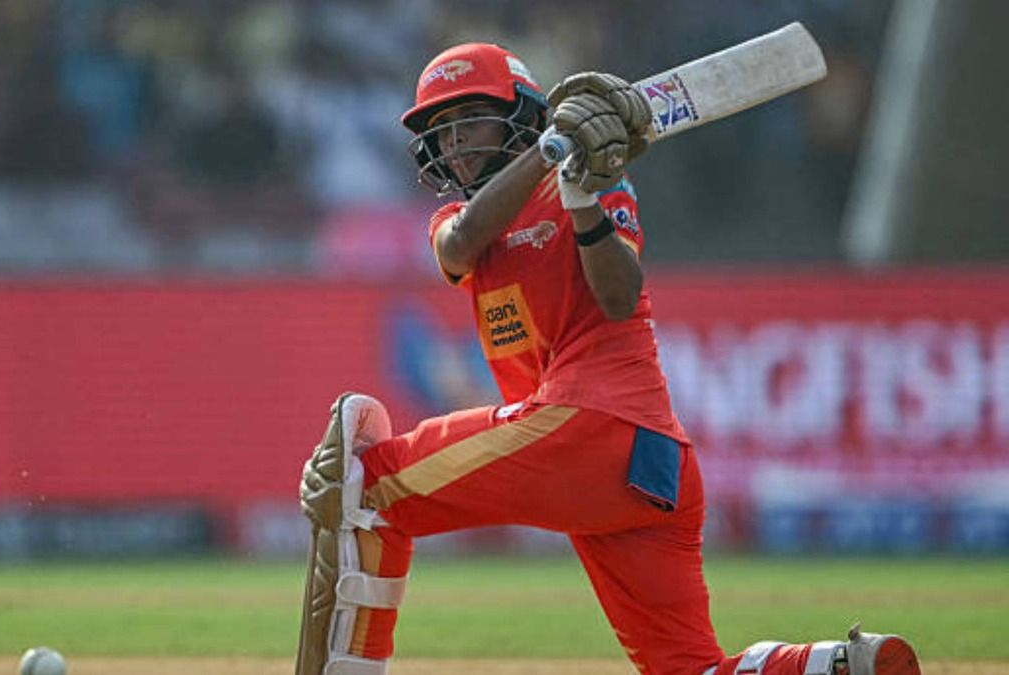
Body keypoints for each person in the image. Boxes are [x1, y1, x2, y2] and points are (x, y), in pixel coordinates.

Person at [294, 42, 921, 675]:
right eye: (442, 130)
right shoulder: (457, 219)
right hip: (645, 466)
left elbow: (620, 297)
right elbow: (463, 244)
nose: (454, 144)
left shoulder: (593, 183)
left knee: (367, 482)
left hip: (595, 426)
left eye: (469, 121)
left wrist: (581, 199)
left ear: (521, 117)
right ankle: (846, 665)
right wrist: (549, 153)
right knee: (689, 669)